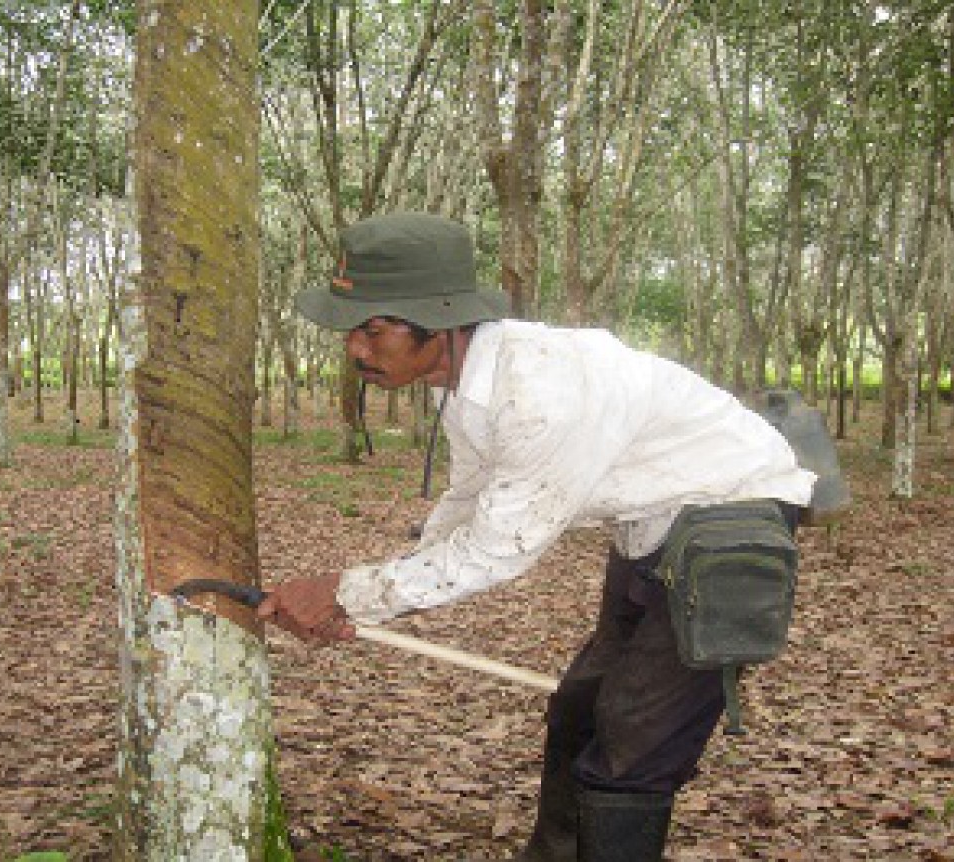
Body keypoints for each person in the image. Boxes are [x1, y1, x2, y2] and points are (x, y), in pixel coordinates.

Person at [258, 212, 815, 861]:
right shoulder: (465, 382)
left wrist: (349, 595)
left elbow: (502, 545)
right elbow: (470, 495)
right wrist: (381, 589)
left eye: (374, 328)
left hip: (729, 520)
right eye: (352, 328)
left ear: (437, 321)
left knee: (633, 741)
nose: (355, 348)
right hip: (651, 525)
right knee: (581, 707)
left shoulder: (540, 391)